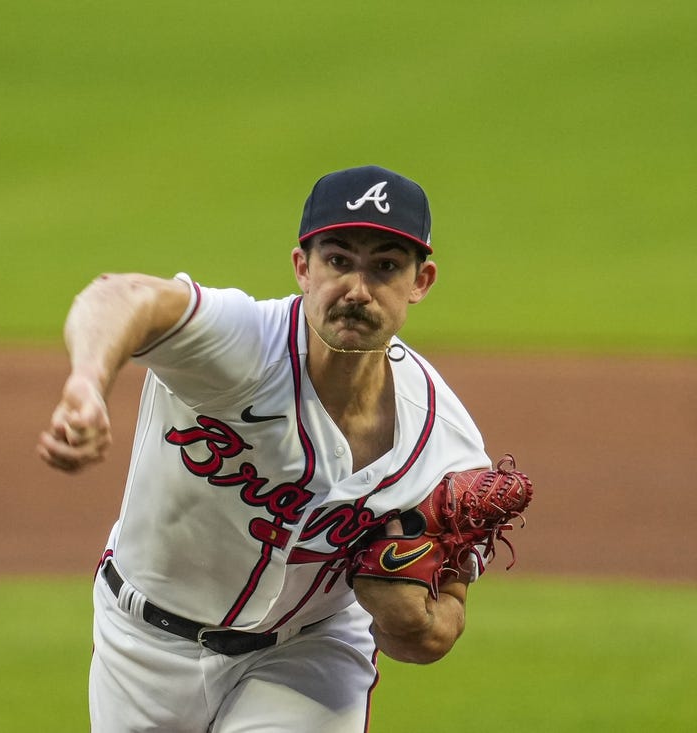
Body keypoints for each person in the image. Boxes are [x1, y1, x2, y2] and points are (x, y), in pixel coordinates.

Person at [38, 165, 494, 732]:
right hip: (142, 644)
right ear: (303, 267)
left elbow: (441, 624)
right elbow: (120, 295)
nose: (357, 289)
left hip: (307, 654)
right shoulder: (243, 346)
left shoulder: (447, 446)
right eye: (339, 260)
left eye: (385, 267)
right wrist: (87, 381)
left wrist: (412, 623)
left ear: (420, 282)